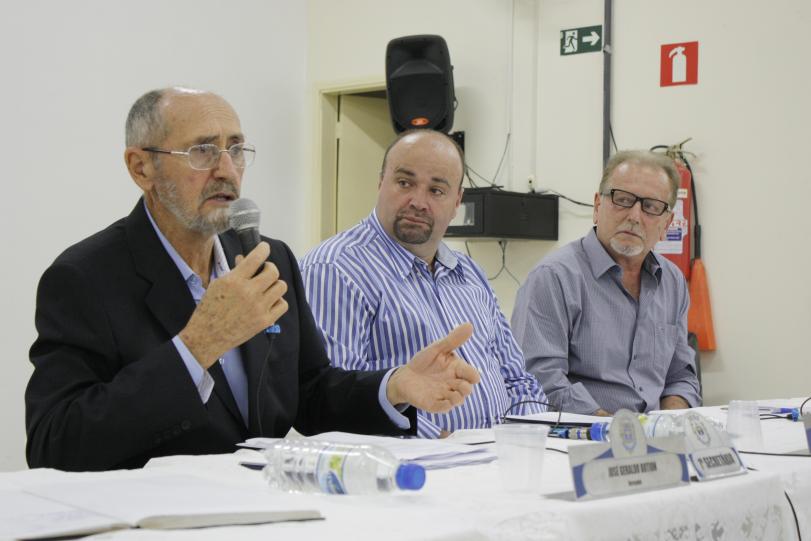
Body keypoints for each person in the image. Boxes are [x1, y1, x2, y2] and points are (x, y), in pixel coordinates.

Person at [25, 88, 481, 471]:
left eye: (237, 150)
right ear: (141, 168)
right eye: (202, 151)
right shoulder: (84, 277)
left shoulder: (269, 258)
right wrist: (196, 347)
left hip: (267, 511)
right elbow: (54, 443)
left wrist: (395, 386)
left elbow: (311, 393)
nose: (227, 170)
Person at [300, 129, 547, 438]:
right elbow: (334, 405)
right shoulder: (336, 269)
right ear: (381, 182)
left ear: (457, 202)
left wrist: (526, 440)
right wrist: (442, 444)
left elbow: (518, 381)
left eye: (436, 190)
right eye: (405, 183)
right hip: (416, 464)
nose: (418, 202)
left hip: (500, 457)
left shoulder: (470, 273)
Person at [511, 150, 701, 415]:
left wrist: (669, 422)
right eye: (622, 200)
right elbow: (539, 382)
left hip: (653, 433)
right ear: (598, 206)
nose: (634, 216)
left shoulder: (672, 282)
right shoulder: (553, 278)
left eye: (651, 207)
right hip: (580, 434)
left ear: (666, 224)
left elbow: (680, 377)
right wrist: (618, 430)